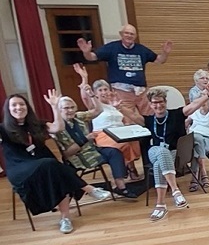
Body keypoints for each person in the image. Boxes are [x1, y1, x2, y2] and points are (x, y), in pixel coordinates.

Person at [1, 92, 112, 234]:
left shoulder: (36, 124)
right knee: (51, 164)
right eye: (14, 105)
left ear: (27, 107)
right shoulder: (3, 129)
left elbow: (58, 128)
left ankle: (65, 218)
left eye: (21, 104)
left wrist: (54, 106)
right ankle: (89, 189)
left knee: (56, 172)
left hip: (42, 165)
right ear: (8, 109)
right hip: (19, 169)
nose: (18, 107)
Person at [127, 86, 209, 221]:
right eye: (155, 103)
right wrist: (118, 106)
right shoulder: (149, 120)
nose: (158, 105)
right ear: (150, 105)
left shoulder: (177, 114)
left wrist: (208, 95)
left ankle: (160, 205)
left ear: (165, 102)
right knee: (161, 151)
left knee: (158, 164)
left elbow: (193, 105)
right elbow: (132, 115)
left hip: (175, 154)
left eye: (161, 101)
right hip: (154, 151)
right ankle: (175, 190)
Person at [77, 24, 172, 116]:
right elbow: (92, 57)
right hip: (121, 90)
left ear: (135, 36)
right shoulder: (112, 47)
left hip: (141, 90)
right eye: (126, 33)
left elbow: (160, 60)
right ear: (121, 34)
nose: (129, 36)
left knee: (150, 116)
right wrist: (87, 52)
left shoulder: (141, 49)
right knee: (127, 118)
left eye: (132, 34)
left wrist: (165, 53)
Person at [52, 96, 137, 199]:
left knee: (114, 152)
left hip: (92, 150)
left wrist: (91, 95)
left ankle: (120, 187)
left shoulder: (78, 116)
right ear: (59, 110)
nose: (70, 110)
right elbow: (66, 154)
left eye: (72, 107)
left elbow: (98, 110)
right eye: (66, 108)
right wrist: (85, 139)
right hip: (77, 158)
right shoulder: (57, 128)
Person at [75, 64, 142, 180]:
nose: (103, 92)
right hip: (103, 134)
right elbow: (85, 96)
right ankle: (129, 168)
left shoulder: (115, 104)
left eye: (105, 89)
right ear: (95, 93)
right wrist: (84, 78)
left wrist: (130, 128)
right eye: (100, 90)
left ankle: (128, 166)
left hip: (120, 132)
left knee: (135, 141)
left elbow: (125, 120)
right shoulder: (95, 105)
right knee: (123, 144)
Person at [186, 92, 209, 192]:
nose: (202, 104)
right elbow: (185, 123)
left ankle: (195, 178)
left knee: (196, 143)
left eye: (204, 102)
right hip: (193, 141)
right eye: (200, 102)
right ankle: (203, 173)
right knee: (196, 140)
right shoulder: (194, 112)